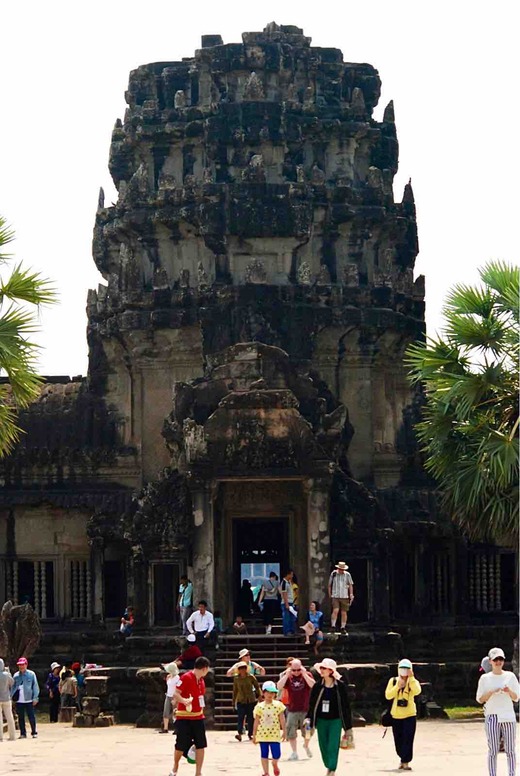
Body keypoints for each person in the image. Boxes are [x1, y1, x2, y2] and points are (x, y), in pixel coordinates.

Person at [476, 646, 519, 776]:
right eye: (495, 660)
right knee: (493, 750)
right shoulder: (485, 678)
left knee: (510, 749)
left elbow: (516, 697)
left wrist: (508, 691)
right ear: (490, 661)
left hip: (508, 716)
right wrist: (490, 693)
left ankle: (512, 773)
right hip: (492, 716)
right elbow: (480, 699)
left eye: (500, 659)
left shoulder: (510, 676)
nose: (498, 662)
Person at [306, 657, 352, 776]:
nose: (321, 670)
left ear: (331, 671)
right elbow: (312, 704)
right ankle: (328, 765)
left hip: (335, 720)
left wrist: (348, 727)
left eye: (324, 668)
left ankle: (332, 768)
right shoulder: (317, 686)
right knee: (323, 745)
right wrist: (309, 719)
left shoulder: (340, 686)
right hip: (321, 720)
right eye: (321, 668)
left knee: (333, 745)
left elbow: (346, 706)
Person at [170, 656, 211, 776]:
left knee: (201, 744)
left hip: (198, 717)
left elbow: (201, 697)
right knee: (180, 744)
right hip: (184, 717)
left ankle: (198, 772)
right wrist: (183, 701)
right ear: (204, 668)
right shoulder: (186, 677)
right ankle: (175, 766)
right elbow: (176, 694)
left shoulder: (202, 681)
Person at [385, 658, 422, 771]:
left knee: (408, 738)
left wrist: (411, 678)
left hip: (409, 714)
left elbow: (417, 691)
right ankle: (402, 757)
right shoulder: (393, 681)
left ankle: (406, 761)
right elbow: (388, 695)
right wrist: (398, 687)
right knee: (398, 740)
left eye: (406, 669)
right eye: (402, 669)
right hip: (396, 715)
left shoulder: (413, 681)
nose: (404, 671)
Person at [277, 658, 315, 760]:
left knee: (308, 731)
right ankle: (294, 752)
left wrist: (305, 674)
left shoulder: (307, 675)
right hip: (292, 709)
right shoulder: (288, 677)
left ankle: (306, 745)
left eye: (298, 670)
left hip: (306, 709)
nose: (296, 672)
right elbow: (279, 686)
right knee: (291, 731)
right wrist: (287, 675)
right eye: (294, 670)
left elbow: (313, 685)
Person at [253, 681, 287, 776]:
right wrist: (254, 734)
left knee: (276, 754)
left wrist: (284, 731)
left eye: (272, 692)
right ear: (263, 693)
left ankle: (274, 763)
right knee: (264, 754)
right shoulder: (259, 707)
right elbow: (256, 721)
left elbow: (282, 718)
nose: (270, 694)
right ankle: (266, 772)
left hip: (274, 734)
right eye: (268, 692)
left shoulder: (278, 705)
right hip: (262, 734)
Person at [11, 656, 39, 739]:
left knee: (31, 716)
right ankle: (23, 733)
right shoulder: (16, 675)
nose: (21, 666)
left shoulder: (31, 674)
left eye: (23, 665)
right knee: (21, 717)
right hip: (19, 700)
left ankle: (34, 732)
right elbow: (13, 687)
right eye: (20, 665)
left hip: (29, 699)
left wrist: (35, 698)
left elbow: (35, 686)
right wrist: (12, 697)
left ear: (26, 665)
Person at [233, 661, 261, 741]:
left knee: (250, 718)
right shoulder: (236, 679)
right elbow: (235, 690)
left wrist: (259, 696)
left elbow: (257, 686)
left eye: (244, 668)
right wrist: (233, 701)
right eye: (241, 668)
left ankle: (250, 734)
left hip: (251, 700)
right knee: (240, 718)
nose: (242, 670)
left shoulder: (251, 677)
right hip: (241, 700)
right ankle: (239, 733)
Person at [328, 561, 354, 634]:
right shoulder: (334, 574)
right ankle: (333, 626)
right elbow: (329, 584)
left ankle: (343, 627)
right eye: (340, 569)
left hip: (344, 595)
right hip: (335, 595)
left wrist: (351, 594)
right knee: (335, 610)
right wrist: (330, 594)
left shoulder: (347, 575)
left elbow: (350, 584)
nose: (341, 570)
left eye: (343, 569)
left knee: (344, 612)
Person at [159, 661, 181, 734]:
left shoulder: (178, 678)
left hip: (174, 696)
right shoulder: (169, 676)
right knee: (166, 712)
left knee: (175, 712)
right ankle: (165, 728)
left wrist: (175, 698)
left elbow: (179, 688)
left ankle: (177, 728)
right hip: (168, 695)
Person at [0, 658, 15, 741]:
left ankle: (0, 737)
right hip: (6, 698)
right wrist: (8, 672)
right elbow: (12, 683)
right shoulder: (6, 674)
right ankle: (12, 736)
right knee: (10, 717)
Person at [280, 570, 297, 637]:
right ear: (288, 575)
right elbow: (284, 594)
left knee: (292, 617)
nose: (292, 576)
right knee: (286, 618)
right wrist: (286, 603)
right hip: (286, 602)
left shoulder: (289, 582)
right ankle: (287, 631)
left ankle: (292, 630)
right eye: (291, 574)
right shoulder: (284, 583)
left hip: (291, 602)